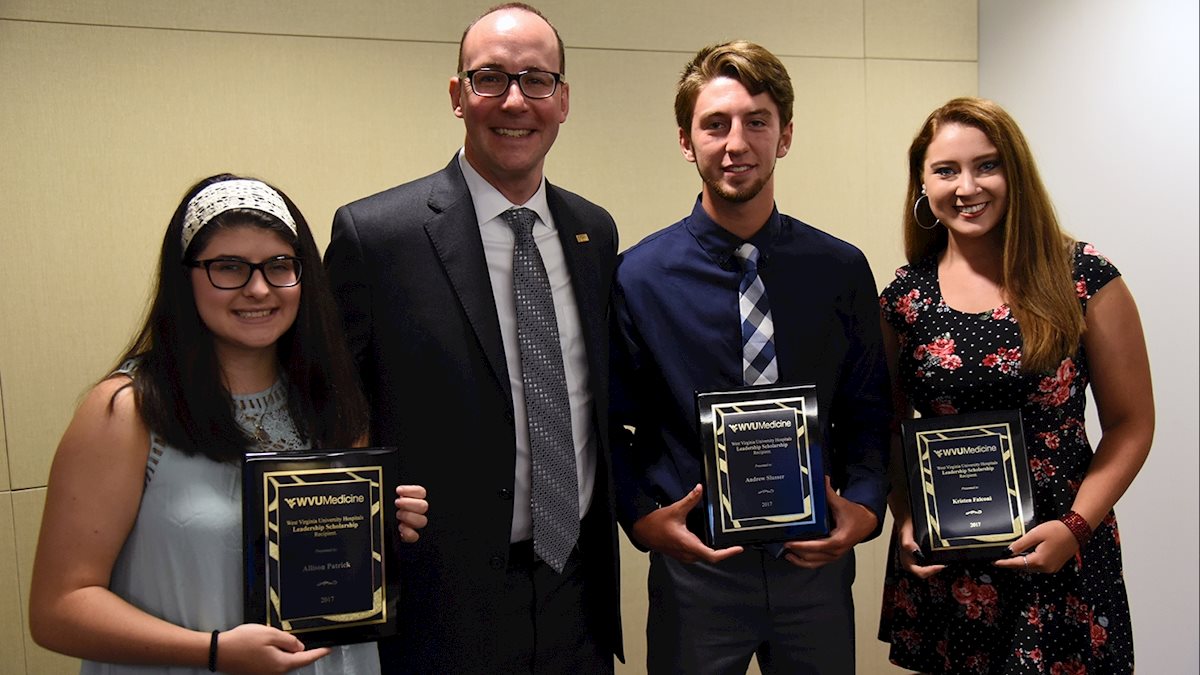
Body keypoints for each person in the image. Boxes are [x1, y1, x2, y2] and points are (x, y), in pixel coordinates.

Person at [28, 174, 429, 675]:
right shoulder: (127, 411)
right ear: (185, 276)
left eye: (280, 266)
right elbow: (58, 610)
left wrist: (379, 526)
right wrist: (214, 652)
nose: (258, 288)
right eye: (229, 267)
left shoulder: (332, 400)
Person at [323, 3, 623, 672]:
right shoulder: (377, 237)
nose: (514, 100)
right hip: (440, 604)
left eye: (536, 80)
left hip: (576, 593)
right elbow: (330, 408)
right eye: (490, 78)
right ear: (458, 95)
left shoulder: (593, 233)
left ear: (563, 100)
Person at [610, 40, 891, 674]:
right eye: (715, 124)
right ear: (687, 140)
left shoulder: (840, 270)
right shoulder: (638, 277)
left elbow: (870, 409)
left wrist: (867, 507)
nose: (736, 143)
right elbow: (612, 424)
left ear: (784, 135)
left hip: (813, 566)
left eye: (756, 121)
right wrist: (642, 519)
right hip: (697, 572)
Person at [876, 97, 1154, 674]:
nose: (967, 185)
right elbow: (889, 427)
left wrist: (1075, 527)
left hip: (1064, 544)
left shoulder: (1083, 277)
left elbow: (1132, 424)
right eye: (946, 170)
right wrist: (905, 515)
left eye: (987, 165)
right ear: (921, 185)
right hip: (950, 559)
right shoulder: (904, 298)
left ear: (1015, 172)